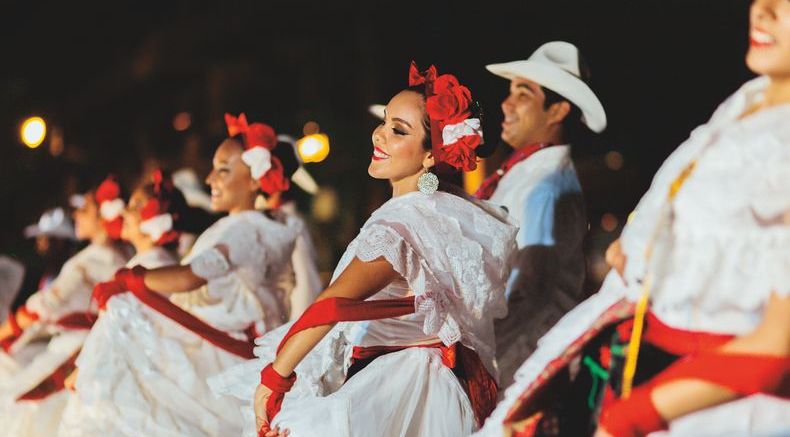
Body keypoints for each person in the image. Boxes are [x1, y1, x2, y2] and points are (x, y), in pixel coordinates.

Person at [475, 2, 790, 436]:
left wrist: (630, 415)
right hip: (631, 355)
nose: (764, 12)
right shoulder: (745, 102)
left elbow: (776, 347)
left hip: (713, 403)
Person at [209, 62, 518, 437]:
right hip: (424, 381)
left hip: (398, 390)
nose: (379, 135)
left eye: (397, 130)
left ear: (430, 156)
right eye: (385, 121)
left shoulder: (400, 226)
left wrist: (275, 378)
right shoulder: (439, 214)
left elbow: (334, 304)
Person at [58, 115, 307, 437]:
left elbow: (191, 277)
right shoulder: (251, 226)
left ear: (256, 180)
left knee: (123, 313)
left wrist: (129, 281)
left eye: (223, 170)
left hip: (227, 349)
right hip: (224, 338)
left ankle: (88, 385)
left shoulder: (245, 229)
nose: (211, 179)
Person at [475, 41, 607, 387]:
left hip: (520, 367)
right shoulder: (523, 172)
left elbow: (530, 295)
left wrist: (482, 368)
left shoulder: (547, 185)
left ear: (557, 110)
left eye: (523, 93)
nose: (506, 103)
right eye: (510, 91)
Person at [0, 177, 129, 436]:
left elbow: (46, 305)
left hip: (76, 348)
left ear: (103, 216)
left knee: (23, 404)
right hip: (81, 344)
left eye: (84, 210)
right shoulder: (113, 255)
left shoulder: (97, 258)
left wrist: (6, 332)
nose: (76, 215)